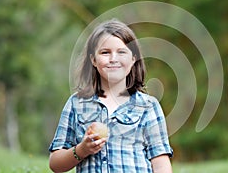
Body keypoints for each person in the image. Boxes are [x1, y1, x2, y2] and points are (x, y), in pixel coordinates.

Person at [48, 19, 173, 173]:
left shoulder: (148, 106)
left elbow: (161, 163)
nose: (113, 59)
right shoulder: (76, 103)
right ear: (93, 59)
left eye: (121, 52)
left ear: (133, 58)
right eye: (105, 52)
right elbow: (55, 163)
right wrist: (82, 150)